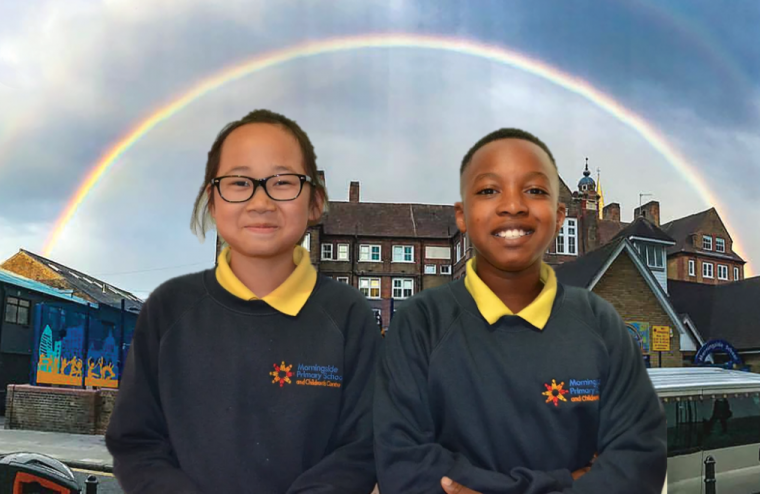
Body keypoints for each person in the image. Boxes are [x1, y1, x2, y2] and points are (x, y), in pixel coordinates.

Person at [373, 128, 666, 494]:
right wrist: (567, 481)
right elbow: (402, 466)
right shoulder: (419, 325)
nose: (513, 206)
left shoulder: (601, 322)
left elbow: (640, 459)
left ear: (559, 217)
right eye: (489, 190)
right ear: (463, 216)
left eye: (535, 190)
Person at [106, 109, 381, 493]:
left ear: (315, 202)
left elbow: (362, 446)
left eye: (283, 182)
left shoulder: (349, 315)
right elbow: (136, 440)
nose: (261, 202)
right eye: (239, 183)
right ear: (212, 201)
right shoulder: (168, 309)